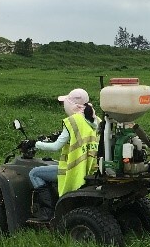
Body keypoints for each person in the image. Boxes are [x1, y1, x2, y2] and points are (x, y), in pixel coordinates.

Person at [28, 88, 100, 220]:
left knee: (34, 173)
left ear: (71, 104)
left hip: (72, 170)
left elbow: (56, 147)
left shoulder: (74, 121)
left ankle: (47, 211)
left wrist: (35, 144)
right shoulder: (96, 120)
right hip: (90, 168)